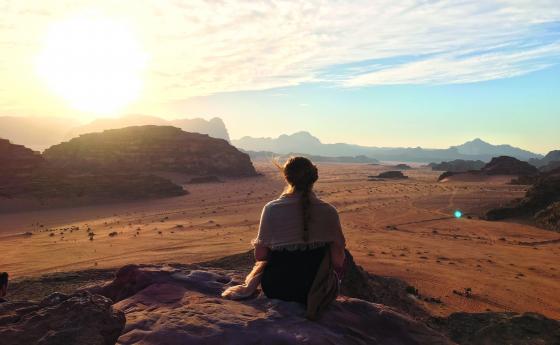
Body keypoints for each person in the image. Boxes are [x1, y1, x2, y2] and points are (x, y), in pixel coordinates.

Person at [223, 157, 346, 319]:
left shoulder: (271, 209)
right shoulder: (329, 211)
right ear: (314, 178)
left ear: (286, 177)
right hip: (314, 290)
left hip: (276, 287)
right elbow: (338, 262)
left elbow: (260, 256)